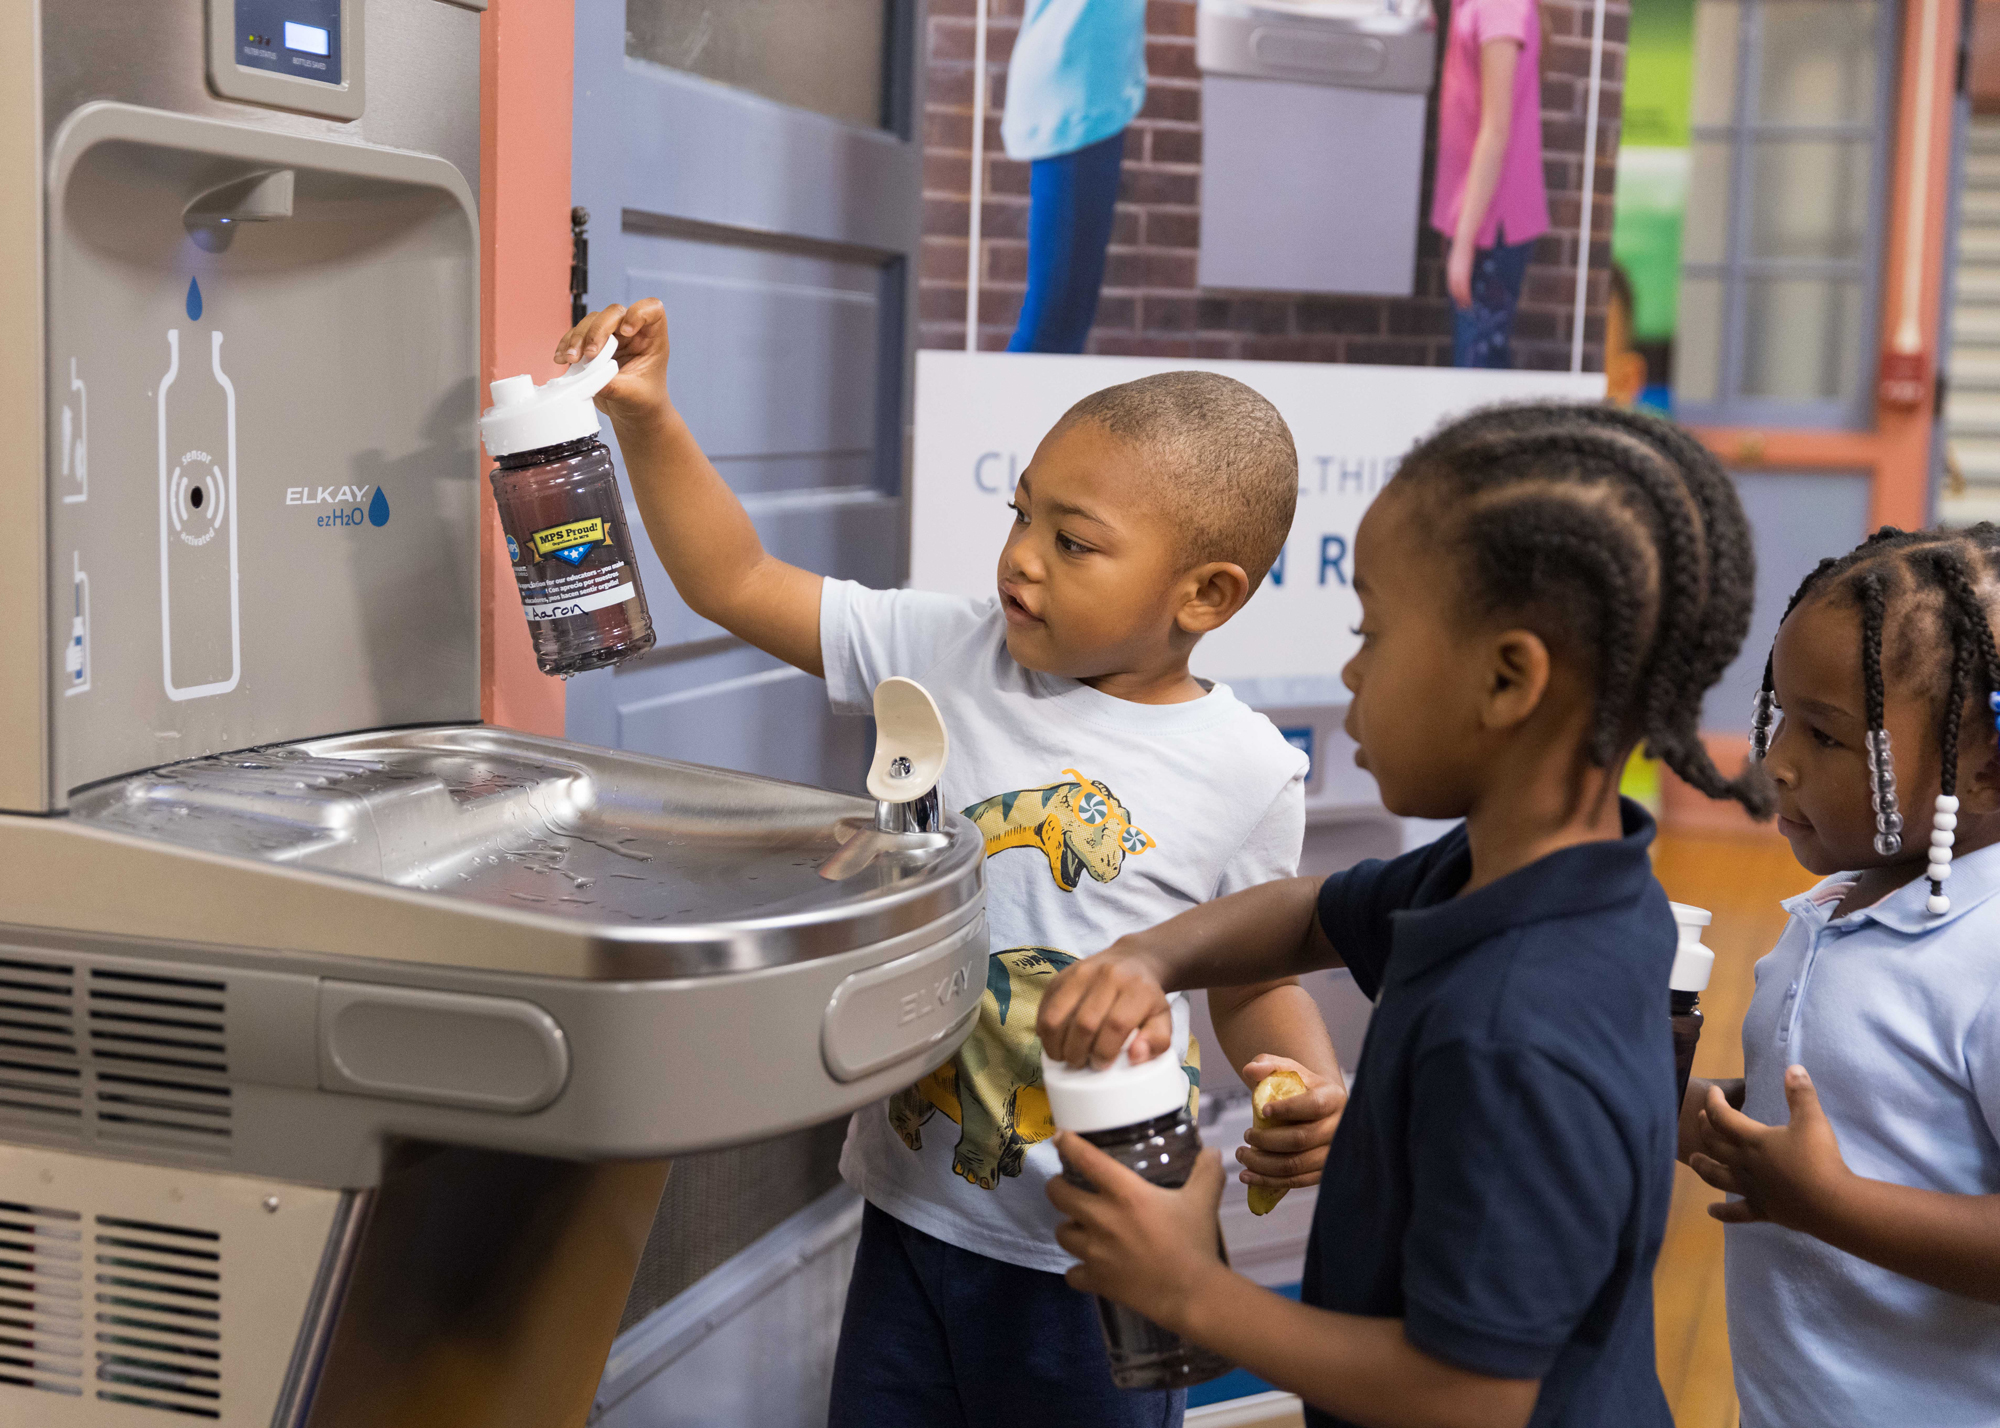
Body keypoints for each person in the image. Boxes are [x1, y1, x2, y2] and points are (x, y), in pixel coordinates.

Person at [554, 300, 1347, 1428]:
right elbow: (731, 580)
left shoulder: (1245, 770)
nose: (1020, 556)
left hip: (1103, 1257)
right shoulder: (943, 647)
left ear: (1204, 594)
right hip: (913, 1216)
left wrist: (1292, 1080)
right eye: (1020, 511)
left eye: (1071, 542)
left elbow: (1253, 977)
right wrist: (646, 419)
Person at [1037, 403, 1770, 1428]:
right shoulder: (1541, 876)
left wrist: (1186, 1289)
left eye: (1370, 633)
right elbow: (1307, 916)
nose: (1349, 670)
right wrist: (1146, 957)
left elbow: (1469, 1393)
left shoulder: (1516, 1032)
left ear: (1507, 678)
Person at [1686, 525, 2000, 1427]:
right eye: (1779, 715)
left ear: (1985, 769)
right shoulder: (1834, 911)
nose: (1777, 758)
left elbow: (1834, 1179)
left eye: (1824, 735)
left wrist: (1832, 1205)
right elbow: (1855, 1114)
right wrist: (1702, 1116)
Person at [1001, 0, 1146, 353]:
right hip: (1075, 95)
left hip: (1087, 91)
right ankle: (1007, 407)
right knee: (1054, 326)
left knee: (1065, 322)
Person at [1433, 0, 1551, 369]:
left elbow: (1496, 131)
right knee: (1480, 361)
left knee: (1478, 366)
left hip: (1490, 227)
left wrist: (1465, 243)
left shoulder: (1498, 7)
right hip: (1482, 219)